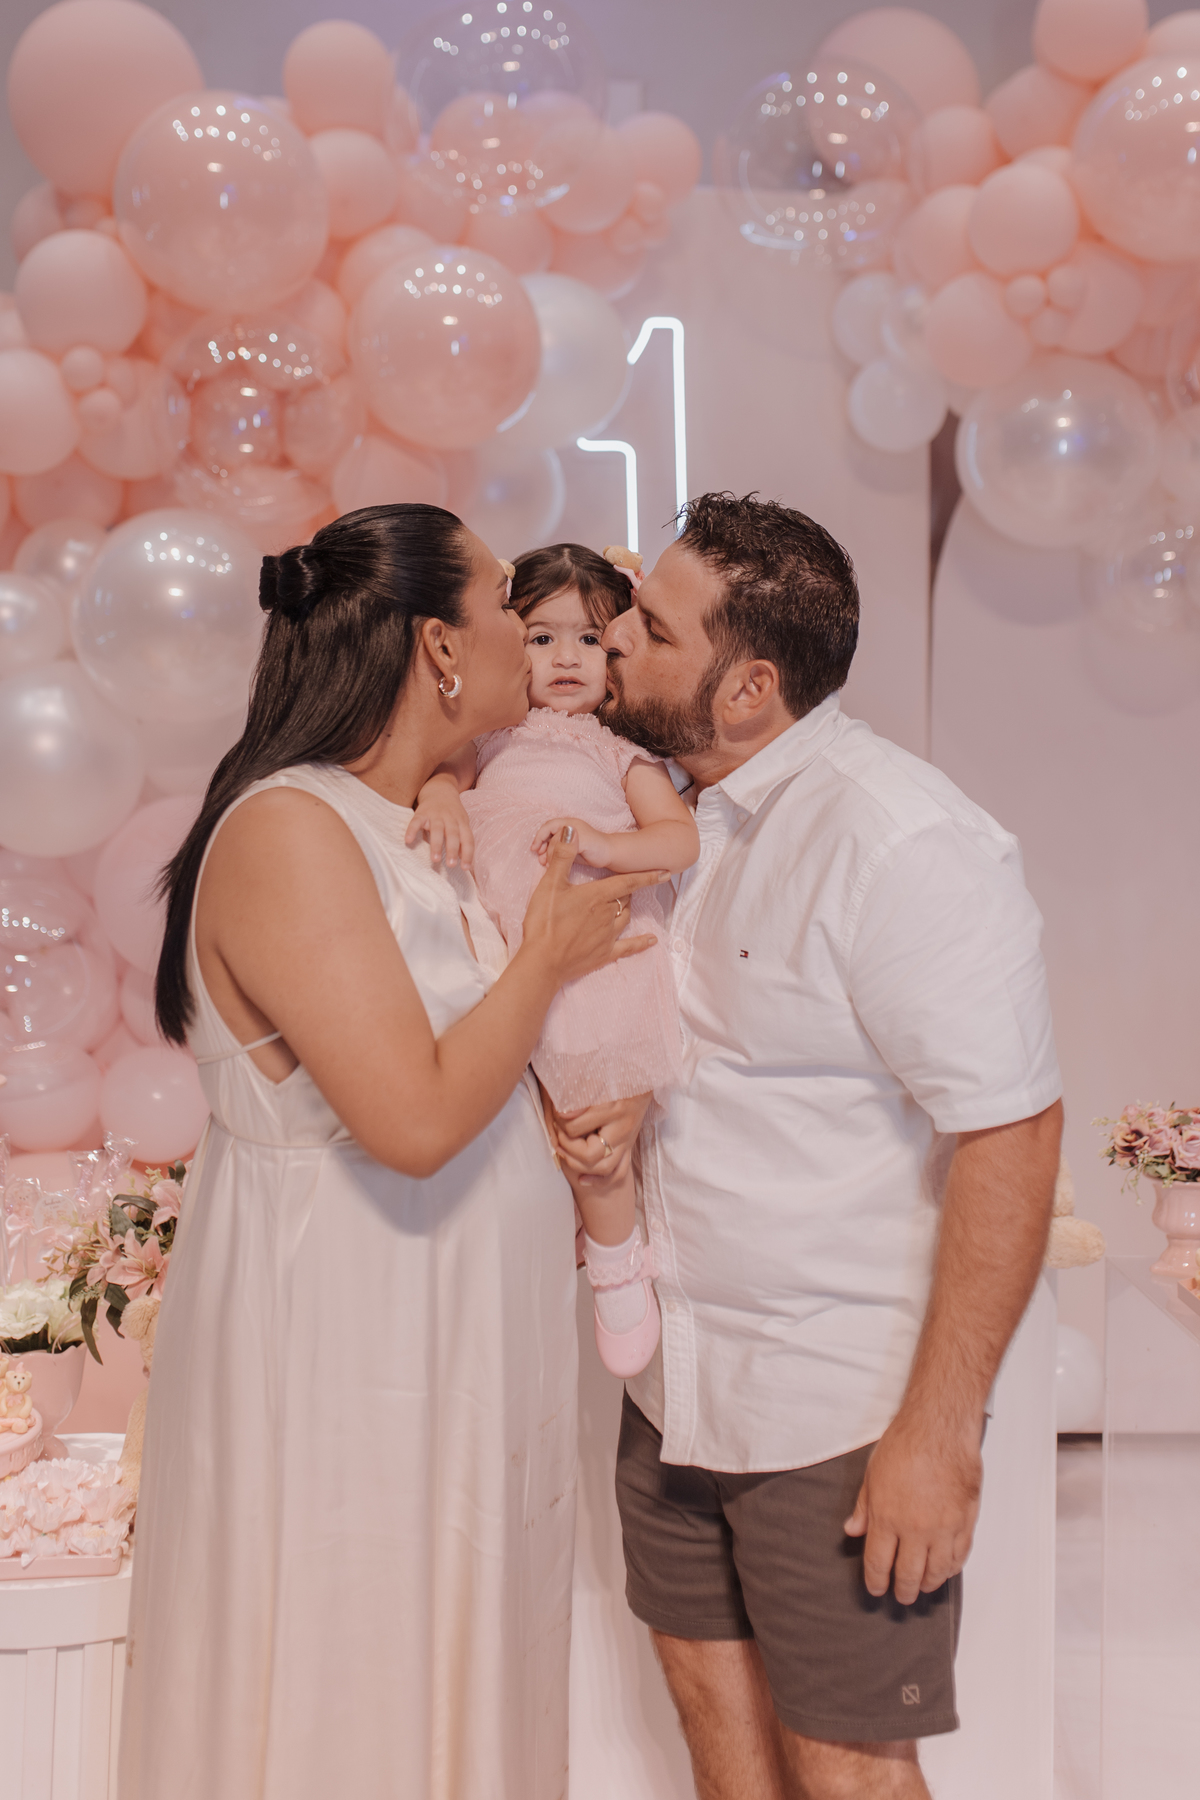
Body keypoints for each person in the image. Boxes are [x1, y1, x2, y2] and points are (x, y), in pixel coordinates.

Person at [119, 504, 664, 1800]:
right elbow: (412, 1121)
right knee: (356, 1688)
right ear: (439, 647)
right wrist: (546, 959)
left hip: (459, 1359)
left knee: (464, 1689)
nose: (529, 636)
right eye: (501, 601)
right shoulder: (290, 830)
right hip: (355, 1362)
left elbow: (491, 1061)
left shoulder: (429, 824)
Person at [556, 492, 1064, 1800]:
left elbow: (1011, 1130)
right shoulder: (664, 809)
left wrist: (939, 1435)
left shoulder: (901, 840)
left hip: (836, 1409)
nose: (616, 637)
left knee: (848, 1772)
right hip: (672, 1390)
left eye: (652, 627)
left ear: (748, 690)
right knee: (719, 1751)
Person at [406, 543, 699, 1378]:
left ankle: (616, 1258)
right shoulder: (489, 737)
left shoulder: (616, 752)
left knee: (589, 1113)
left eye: (590, 639)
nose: (567, 658)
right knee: (508, 1098)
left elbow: (677, 839)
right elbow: (441, 778)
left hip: (591, 947)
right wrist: (440, 795)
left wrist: (605, 843)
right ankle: (566, 1228)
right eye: (541, 638)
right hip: (501, 943)